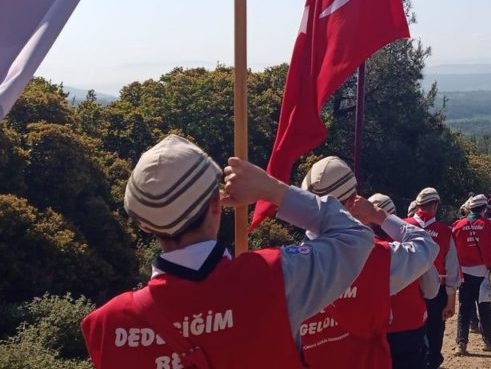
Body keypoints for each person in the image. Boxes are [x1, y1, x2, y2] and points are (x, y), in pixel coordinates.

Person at [81, 135, 375, 369]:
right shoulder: (276, 280)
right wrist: (272, 189)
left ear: (145, 226)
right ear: (216, 205)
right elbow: (354, 236)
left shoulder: (106, 328)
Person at [297, 157, 439, 369]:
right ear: (353, 202)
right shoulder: (376, 257)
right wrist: (378, 215)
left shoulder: (290, 263)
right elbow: (425, 245)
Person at [369, 194, 441, 369]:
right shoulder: (411, 251)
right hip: (409, 329)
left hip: (371, 333)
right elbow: (431, 290)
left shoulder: (356, 249)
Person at [405, 187, 460, 369]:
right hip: (437, 294)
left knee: (410, 337)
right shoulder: (445, 231)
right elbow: (452, 269)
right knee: (435, 336)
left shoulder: (402, 226)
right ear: (435, 206)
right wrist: (451, 301)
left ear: (418, 205)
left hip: (407, 293)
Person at [452, 194, 491, 355]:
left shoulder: (458, 225)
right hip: (483, 275)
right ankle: (489, 342)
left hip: (464, 275)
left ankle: (461, 344)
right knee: (485, 309)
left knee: (464, 309)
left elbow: (452, 252)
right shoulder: (488, 225)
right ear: (483, 210)